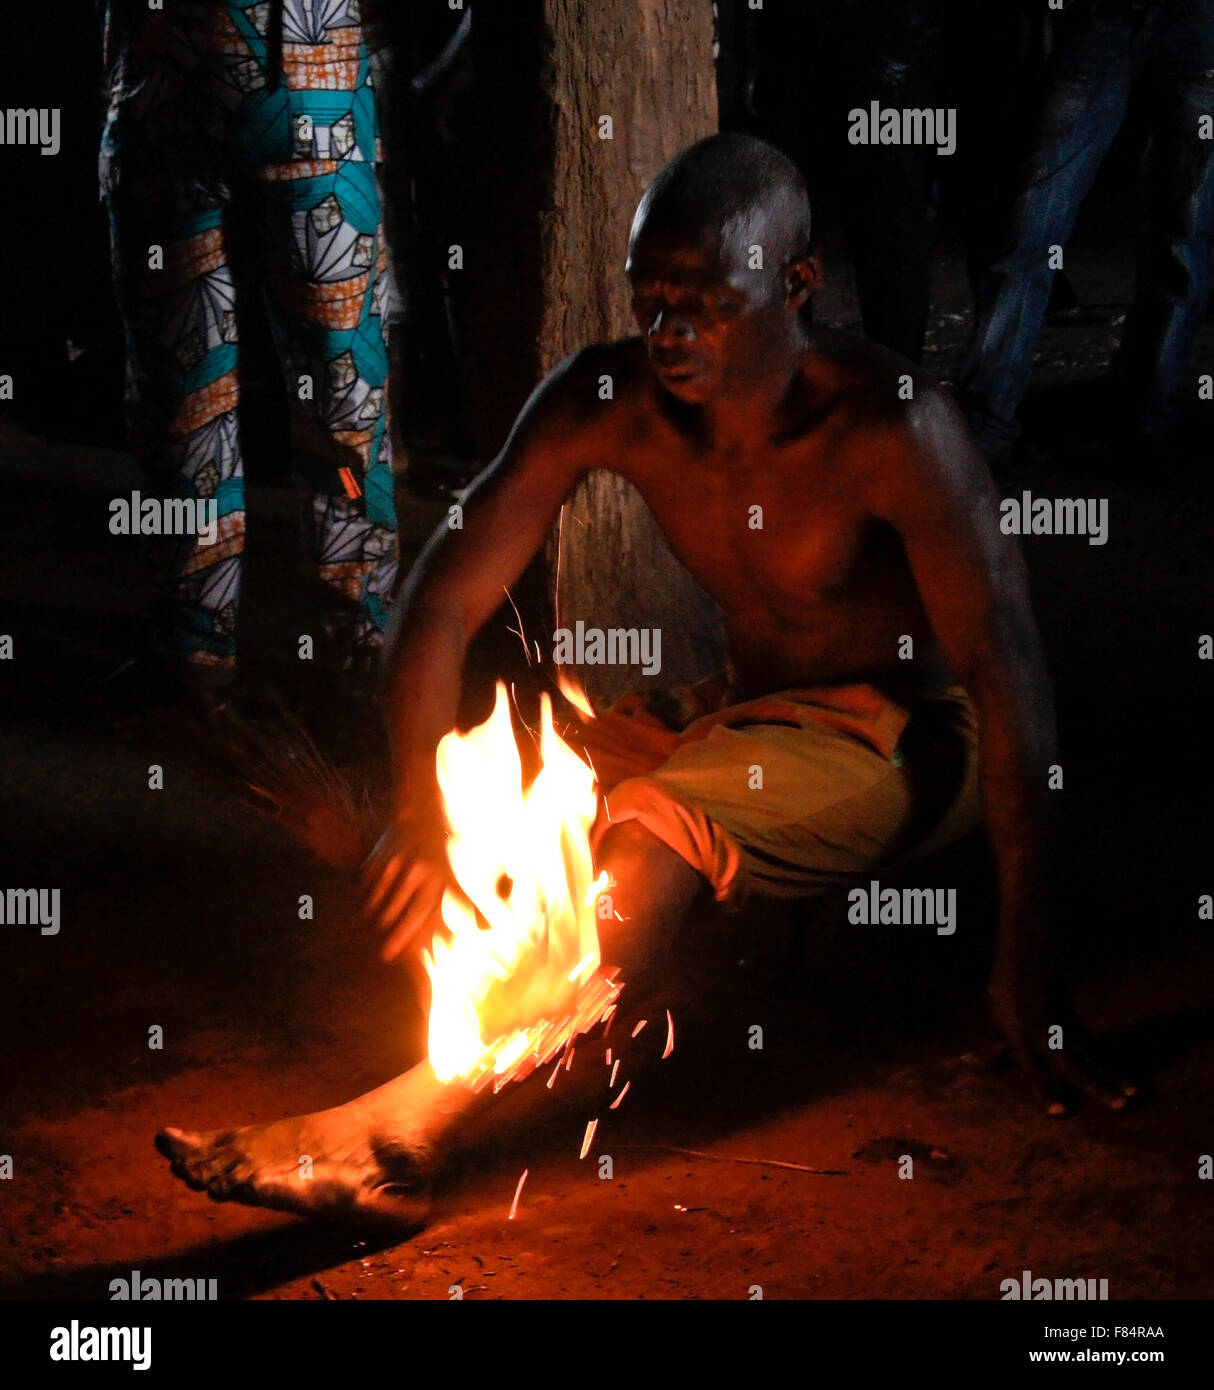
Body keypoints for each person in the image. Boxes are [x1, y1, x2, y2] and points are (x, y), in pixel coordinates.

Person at [156, 134, 1133, 1224]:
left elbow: (1011, 681)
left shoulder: (891, 423)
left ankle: (401, 1129)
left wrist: (1026, 962)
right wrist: (423, 813)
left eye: (702, 300)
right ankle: (473, 1025)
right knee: (519, 796)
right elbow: (441, 600)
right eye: (649, 298)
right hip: (737, 708)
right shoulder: (608, 398)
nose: (666, 332)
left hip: (905, 732)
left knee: (650, 830)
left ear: (796, 283)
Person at [100, 0, 400, 688]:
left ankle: (359, 649)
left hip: (291, 86)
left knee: (338, 396)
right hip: (169, 94)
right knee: (187, 395)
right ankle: (196, 649)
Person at [956, 0, 1214, 462]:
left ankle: (1143, 421)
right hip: (1106, 17)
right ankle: (988, 424)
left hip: (1177, 25)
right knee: (1035, 226)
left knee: (1181, 233)